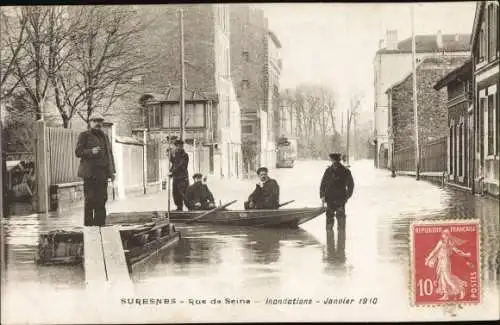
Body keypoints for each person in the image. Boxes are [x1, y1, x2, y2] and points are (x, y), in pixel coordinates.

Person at [75, 112, 115, 227]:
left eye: (100, 121)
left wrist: (113, 172)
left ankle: (100, 226)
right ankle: (88, 227)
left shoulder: (105, 136)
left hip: (102, 173)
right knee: (90, 200)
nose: (98, 123)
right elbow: (78, 152)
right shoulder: (84, 135)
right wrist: (90, 151)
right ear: (90, 122)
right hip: (90, 174)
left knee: (102, 200)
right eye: (95, 121)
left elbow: (109, 154)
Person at [319, 153, 354, 231]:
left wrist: (347, 196)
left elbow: (351, 185)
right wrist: (322, 196)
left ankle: (339, 240)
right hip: (330, 199)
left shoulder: (345, 171)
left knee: (340, 224)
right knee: (329, 224)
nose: (335, 163)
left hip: (340, 200)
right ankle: (331, 240)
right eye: (334, 161)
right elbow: (323, 184)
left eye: (336, 161)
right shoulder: (328, 171)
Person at [169, 139, 189, 211]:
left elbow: (180, 165)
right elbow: (174, 164)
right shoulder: (176, 154)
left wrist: (173, 172)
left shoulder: (185, 155)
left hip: (182, 178)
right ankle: (179, 207)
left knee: (183, 194)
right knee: (175, 193)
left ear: (182, 146)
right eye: (177, 146)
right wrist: (170, 154)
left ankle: (190, 207)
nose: (178, 148)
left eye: (180, 146)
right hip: (176, 178)